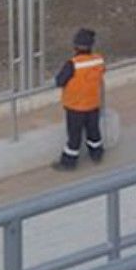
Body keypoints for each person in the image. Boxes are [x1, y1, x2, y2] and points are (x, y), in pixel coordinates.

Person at [53, 28, 105, 171]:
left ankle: (68, 163)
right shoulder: (98, 60)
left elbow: (59, 81)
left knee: (74, 136)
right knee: (94, 132)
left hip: (75, 107)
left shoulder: (72, 64)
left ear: (75, 46)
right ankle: (97, 154)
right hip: (93, 105)